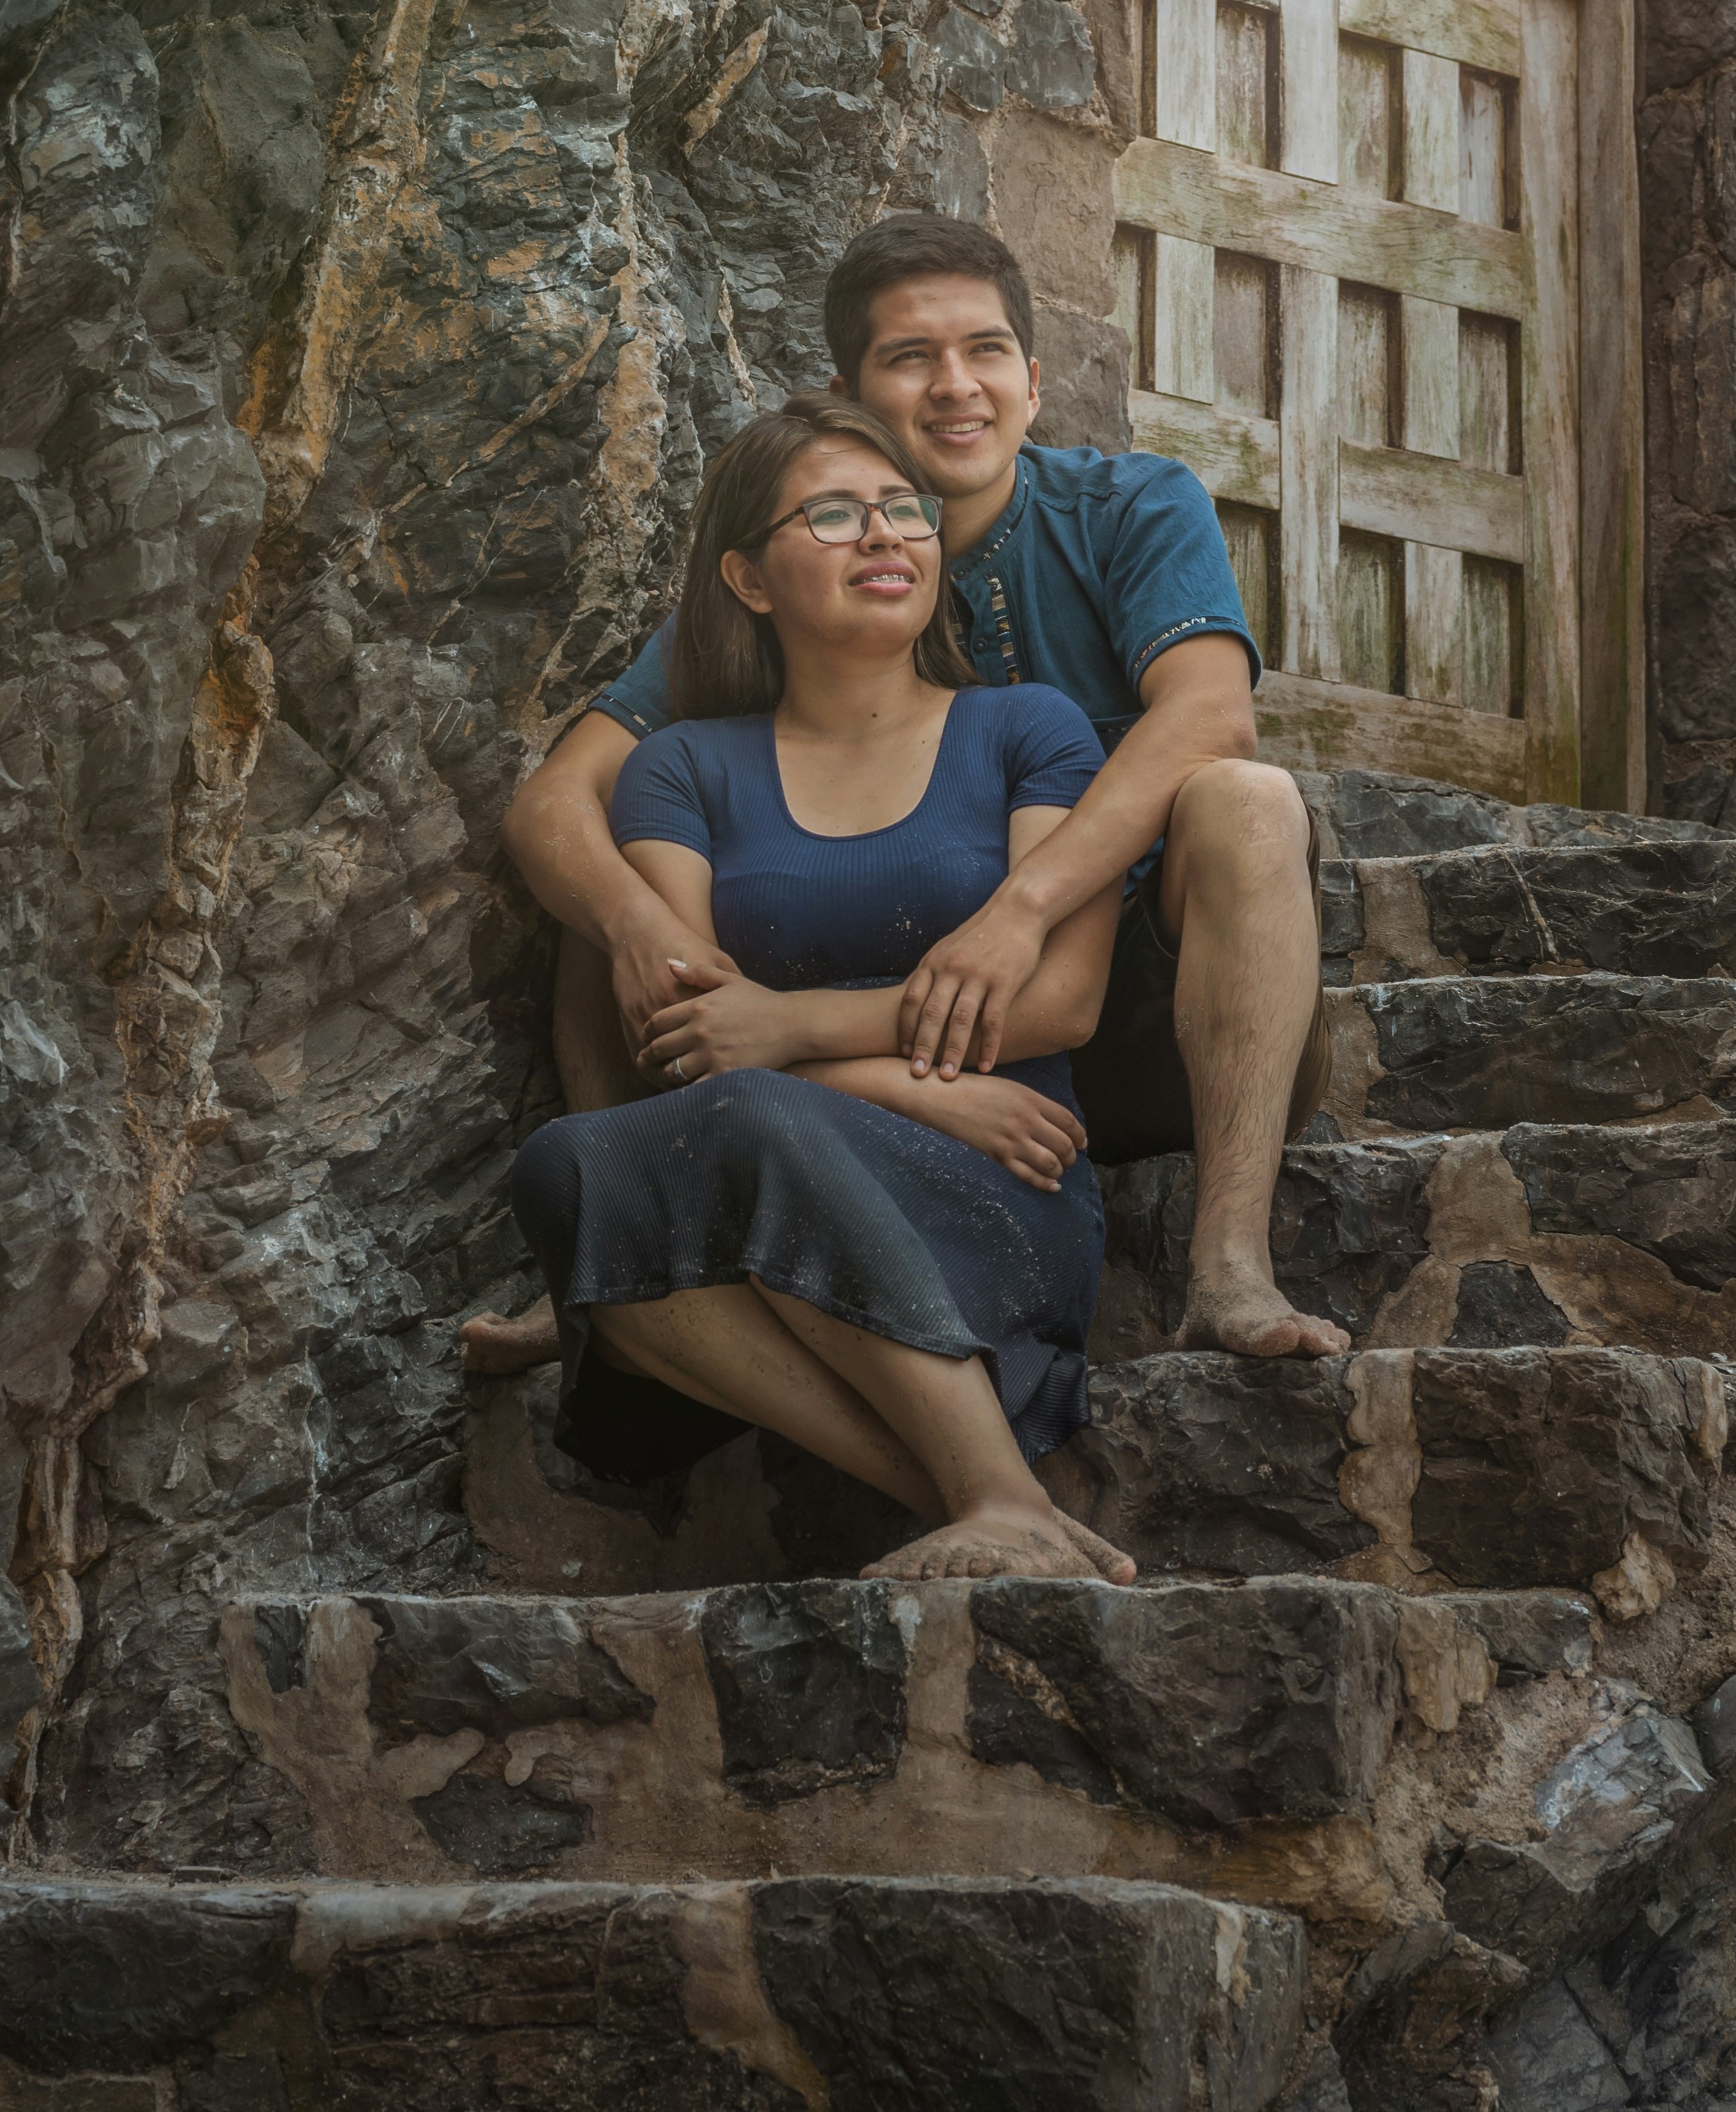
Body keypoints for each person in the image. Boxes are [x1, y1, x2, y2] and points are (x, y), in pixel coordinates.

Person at [478, 208, 1345, 1374]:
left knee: (1248, 800)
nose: (956, 386)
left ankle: (1231, 1263)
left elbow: (1209, 715)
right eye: (910, 358)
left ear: (1034, 382)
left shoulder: (1132, 506)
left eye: (986, 351)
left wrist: (1020, 912)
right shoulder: (799, 575)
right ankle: (610, 1247)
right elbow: (552, 802)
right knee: (612, 873)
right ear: (848, 396)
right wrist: (642, 931)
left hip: (1137, 1011)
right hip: (870, 1049)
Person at [506, 391, 1137, 1584]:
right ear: (749, 578)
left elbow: (1059, 1005)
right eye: (836, 515)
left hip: (999, 1179)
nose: (885, 534)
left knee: (740, 1118)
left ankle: (997, 1494)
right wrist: (915, 1086)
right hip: (860, 1138)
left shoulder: (1029, 730)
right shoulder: (681, 768)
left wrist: (791, 1032)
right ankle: (989, 1497)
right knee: (567, 1170)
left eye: (905, 508)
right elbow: (694, 1040)